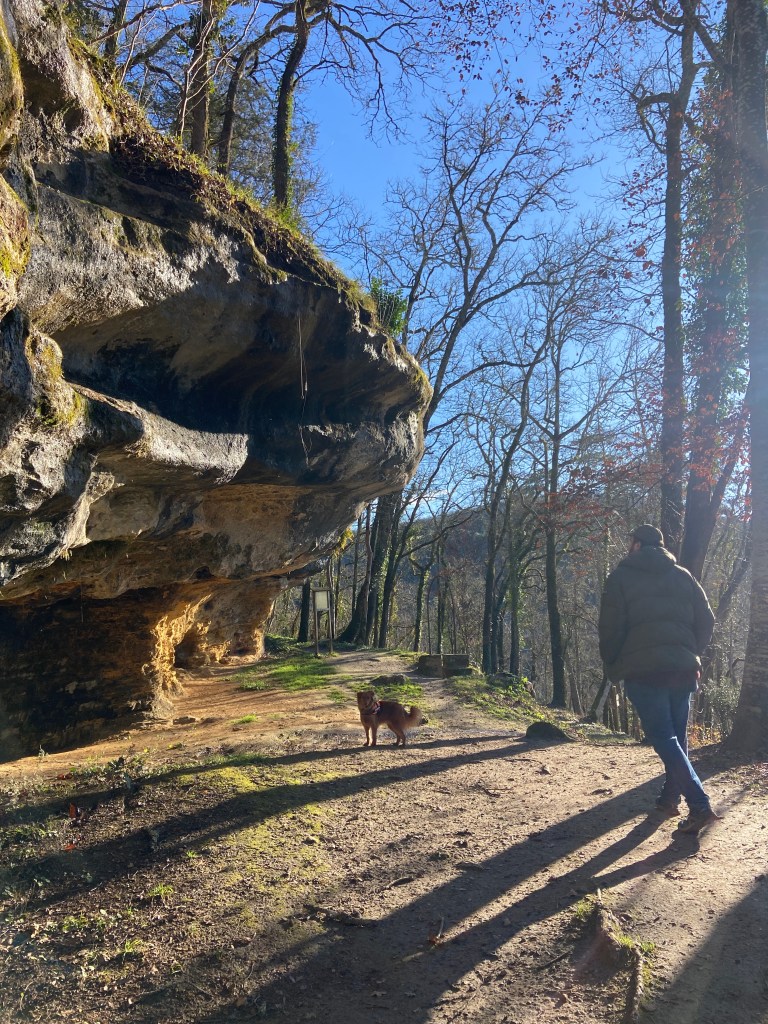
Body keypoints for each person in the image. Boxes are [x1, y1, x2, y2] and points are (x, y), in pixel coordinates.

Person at [598, 524, 720, 835]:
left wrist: (613, 662)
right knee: (677, 740)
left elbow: (611, 628)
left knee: (664, 739)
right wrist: (691, 651)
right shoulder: (683, 576)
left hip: (644, 670)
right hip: (682, 669)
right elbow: (707, 619)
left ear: (636, 545)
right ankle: (669, 798)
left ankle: (699, 805)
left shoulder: (620, 578)